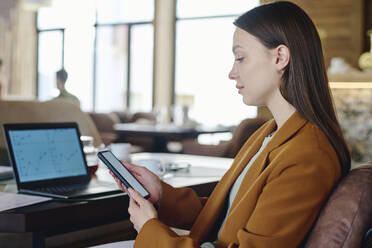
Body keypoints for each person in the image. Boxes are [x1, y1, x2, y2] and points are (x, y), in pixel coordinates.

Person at [101, 2, 351, 247]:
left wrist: (150, 230)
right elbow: (227, 213)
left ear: (280, 57)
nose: (232, 72)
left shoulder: (308, 155)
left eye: (240, 57)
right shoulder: (270, 132)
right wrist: (162, 195)